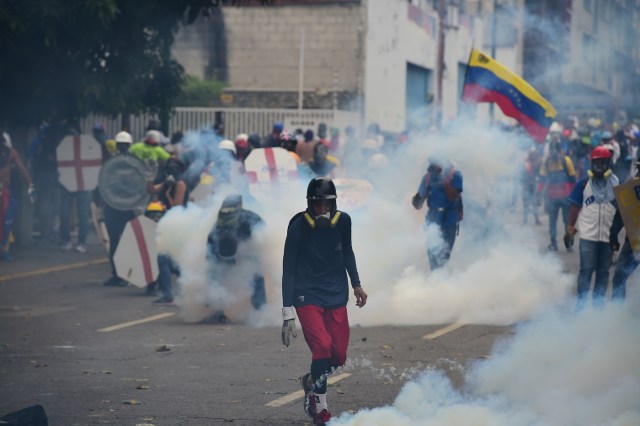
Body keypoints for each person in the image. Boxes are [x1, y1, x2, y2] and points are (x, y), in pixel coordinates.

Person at [281, 177, 367, 426]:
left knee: (337, 356)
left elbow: (348, 251)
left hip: (336, 293)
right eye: (317, 204)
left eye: (326, 204)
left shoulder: (344, 221)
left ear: (334, 203)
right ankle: (321, 408)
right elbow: (288, 269)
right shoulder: (298, 227)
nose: (321, 210)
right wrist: (288, 312)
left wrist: (357, 284)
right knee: (321, 347)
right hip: (306, 294)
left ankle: (310, 382)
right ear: (309, 204)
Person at [565, 146, 619, 308]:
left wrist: (616, 234)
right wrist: (570, 228)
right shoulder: (583, 184)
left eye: (603, 163)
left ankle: (597, 310)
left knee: (603, 273)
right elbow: (574, 206)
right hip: (588, 236)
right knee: (586, 272)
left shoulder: (616, 184)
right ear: (591, 164)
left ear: (609, 163)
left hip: (607, 237)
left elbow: (622, 210)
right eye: (597, 163)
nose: (600, 167)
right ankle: (580, 308)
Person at [207, 194, 266, 320]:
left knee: (256, 273)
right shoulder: (218, 225)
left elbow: (263, 236)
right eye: (225, 209)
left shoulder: (251, 218)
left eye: (230, 209)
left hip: (247, 251)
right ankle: (217, 308)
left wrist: (249, 250)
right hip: (223, 253)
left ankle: (260, 307)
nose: (227, 212)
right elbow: (210, 245)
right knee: (215, 274)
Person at [411, 155, 463, 270]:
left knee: (444, 255)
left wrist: (444, 181)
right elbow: (418, 203)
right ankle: (436, 282)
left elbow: (453, 197)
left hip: (450, 219)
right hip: (433, 219)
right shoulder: (428, 178)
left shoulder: (455, 176)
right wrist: (417, 199)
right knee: (433, 255)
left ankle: (441, 282)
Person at [102, 131, 137, 287]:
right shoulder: (110, 163)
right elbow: (103, 183)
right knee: (115, 242)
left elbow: (140, 186)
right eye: (120, 145)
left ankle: (127, 274)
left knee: (127, 243)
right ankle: (117, 274)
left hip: (128, 208)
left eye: (124, 145)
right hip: (113, 207)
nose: (122, 147)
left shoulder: (135, 164)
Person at [0, 131, 34, 261]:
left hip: (5, 191)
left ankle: (4, 251)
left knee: (7, 222)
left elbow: (22, 168)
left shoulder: (11, 152)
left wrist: (30, 184)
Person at [609, 161, 640, 300]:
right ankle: (618, 314)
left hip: (634, 240)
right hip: (634, 241)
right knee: (620, 277)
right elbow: (622, 214)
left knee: (619, 277)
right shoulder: (632, 188)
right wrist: (612, 235)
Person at [538, 140, 576, 251]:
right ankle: (554, 244)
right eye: (552, 150)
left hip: (566, 197)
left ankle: (569, 245)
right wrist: (539, 193)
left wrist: (575, 197)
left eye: (556, 150)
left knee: (568, 222)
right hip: (552, 198)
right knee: (552, 222)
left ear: (560, 150)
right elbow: (542, 179)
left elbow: (573, 179)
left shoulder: (566, 160)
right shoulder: (546, 161)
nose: (554, 152)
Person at [144, 201, 178, 305]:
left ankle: (167, 294)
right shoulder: (148, 229)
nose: (155, 217)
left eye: (157, 214)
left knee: (163, 260)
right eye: (152, 214)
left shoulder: (169, 226)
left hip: (179, 257)